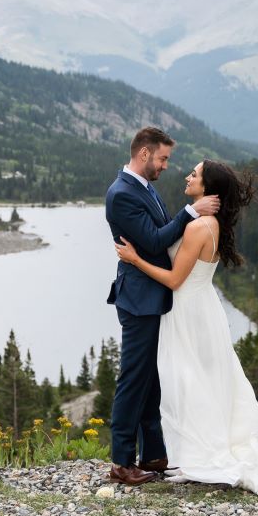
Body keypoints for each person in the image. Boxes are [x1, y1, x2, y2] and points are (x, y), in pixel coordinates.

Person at [114, 159, 258, 504]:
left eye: (195, 174)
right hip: (202, 308)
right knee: (203, 380)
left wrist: (135, 260)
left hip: (188, 312)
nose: (188, 176)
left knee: (189, 381)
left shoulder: (198, 227)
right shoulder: (207, 221)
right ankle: (187, 449)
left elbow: (175, 280)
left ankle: (199, 451)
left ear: (207, 188)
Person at [104, 127, 220, 486]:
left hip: (153, 295)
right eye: (163, 158)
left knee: (153, 379)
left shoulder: (143, 186)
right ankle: (122, 462)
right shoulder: (121, 195)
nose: (166, 166)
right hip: (139, 299)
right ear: (144, 155)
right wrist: (190, 212)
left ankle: (154, 454)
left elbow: (159, 235)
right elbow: (155, 239)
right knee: (134, 378)